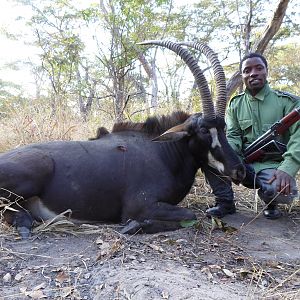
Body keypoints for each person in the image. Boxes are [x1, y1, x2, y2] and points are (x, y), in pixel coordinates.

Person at [204, 52, 300, 219]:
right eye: (247, 70)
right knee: (209, 158)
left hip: (274, 166)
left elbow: (298, 139)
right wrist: (227, 156)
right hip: (243, 164)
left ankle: (271, 203)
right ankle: (225, 202)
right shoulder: (235, 104)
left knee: (282, 190)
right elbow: (233, 136)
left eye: (258, 68)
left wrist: (287, 169)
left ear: (266, 71)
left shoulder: (289, 102)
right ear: (242, 76)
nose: (253, 73)